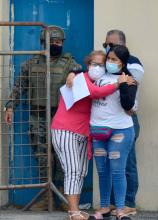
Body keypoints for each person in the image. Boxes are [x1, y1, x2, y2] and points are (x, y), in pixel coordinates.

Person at [4, 25, 82, 209]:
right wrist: (9, 107)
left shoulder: (72, 65)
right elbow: (19, 87)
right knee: (42, 155)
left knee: (64, 156)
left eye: (59, 42)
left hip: (63, 117)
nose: (56, 45)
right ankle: (46, 197)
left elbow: (83, 86)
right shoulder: (30, 64)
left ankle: (64, 196)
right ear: (43, 43)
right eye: (52, 42)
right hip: (38, 115)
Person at [52, 50, 125, 220]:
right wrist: (117, 84)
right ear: (88, 65)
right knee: (73, 170)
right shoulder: (80, 78)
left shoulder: (100, 80)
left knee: (81, 172)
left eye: (101, 64)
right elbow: (94, 93)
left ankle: (75, 209)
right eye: (94, 64)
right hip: (65, 130)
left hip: (84, 133)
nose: (97, 67)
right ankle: (73, 212)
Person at [89, 45, 137, 220]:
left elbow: (128, 105)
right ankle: (104, 207)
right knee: (102, 171)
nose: (109, 62)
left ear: (122, 62)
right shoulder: (99, 75)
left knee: (117, 171)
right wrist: (72, 72)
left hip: (120, 131)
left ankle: (120, 210)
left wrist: (123, 84)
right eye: (108, 58)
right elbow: (84, 70)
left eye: (114, 60)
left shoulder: (129, 80)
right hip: (98, 131)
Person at [103, 30, 144, 216]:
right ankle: (114, 203)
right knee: (112, 163)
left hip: (126, 118)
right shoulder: (107, 62)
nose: (107, 50)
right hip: (110, 119)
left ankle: (129, 203)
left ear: (123, 46)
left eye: (111, 45)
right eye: (106, 45)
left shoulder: (133, 62)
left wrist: (131, 104)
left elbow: (132, 85)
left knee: (126, 163)